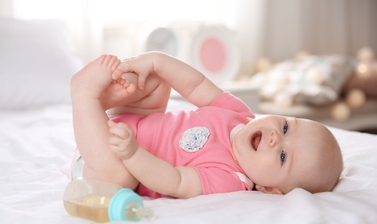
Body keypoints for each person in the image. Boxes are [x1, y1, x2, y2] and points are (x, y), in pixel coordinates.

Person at [71, 52, 343, 199]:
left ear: (269, 189)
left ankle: (85, 95)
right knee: (155, 80)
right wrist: (157, 61)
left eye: (283, 156)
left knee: (122, 179)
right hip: (135, 119)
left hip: (108, 158)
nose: (274, 138)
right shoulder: (240, 115)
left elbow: (174, 181)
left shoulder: (230, 179)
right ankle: (106, 102)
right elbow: (196, 85)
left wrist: (132, 154)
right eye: (285, 128)